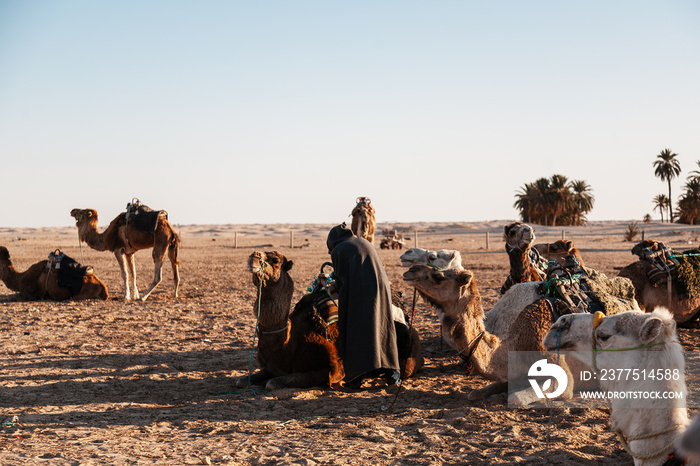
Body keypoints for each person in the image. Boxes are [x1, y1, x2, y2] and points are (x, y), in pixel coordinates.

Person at [326, 223, 401, 389]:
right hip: (381, 290)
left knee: (354, 332)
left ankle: (355, 380)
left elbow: (342, 281)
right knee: (384, 330)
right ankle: (393, 377)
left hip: (360, 294)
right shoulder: (363, 241)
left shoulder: (340, 250)